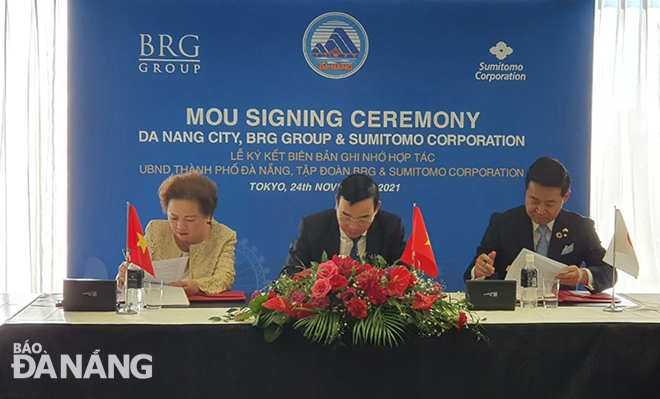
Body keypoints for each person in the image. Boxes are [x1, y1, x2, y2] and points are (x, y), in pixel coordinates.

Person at [464, 157, 614, 293]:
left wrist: (582, 276)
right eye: (534, 201)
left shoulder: (580, 227)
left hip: (561, 313)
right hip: (513, 311)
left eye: (549, 204)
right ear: (526, 191)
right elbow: (471, 272)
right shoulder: (503, 223)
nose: (540, 210)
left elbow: (609, 272)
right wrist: (479, 271)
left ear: (565, 197)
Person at [117, 172, 236, 295]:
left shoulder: (224, 236)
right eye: (173, 218)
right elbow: (137, 267)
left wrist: (197, 286)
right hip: (158, 307)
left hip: (201, 309)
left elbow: (225, 278)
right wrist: (126, 274)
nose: (180, 226)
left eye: (189, 219)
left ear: (208, 216)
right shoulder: (156, 230)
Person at [282, 173, 407, 276]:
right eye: (345, 216)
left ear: (376, 208)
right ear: (336, 202)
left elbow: (405, 274)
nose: (353, 226)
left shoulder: (391, 227)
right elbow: (290, 273)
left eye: (363, 218)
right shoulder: (313, 227)